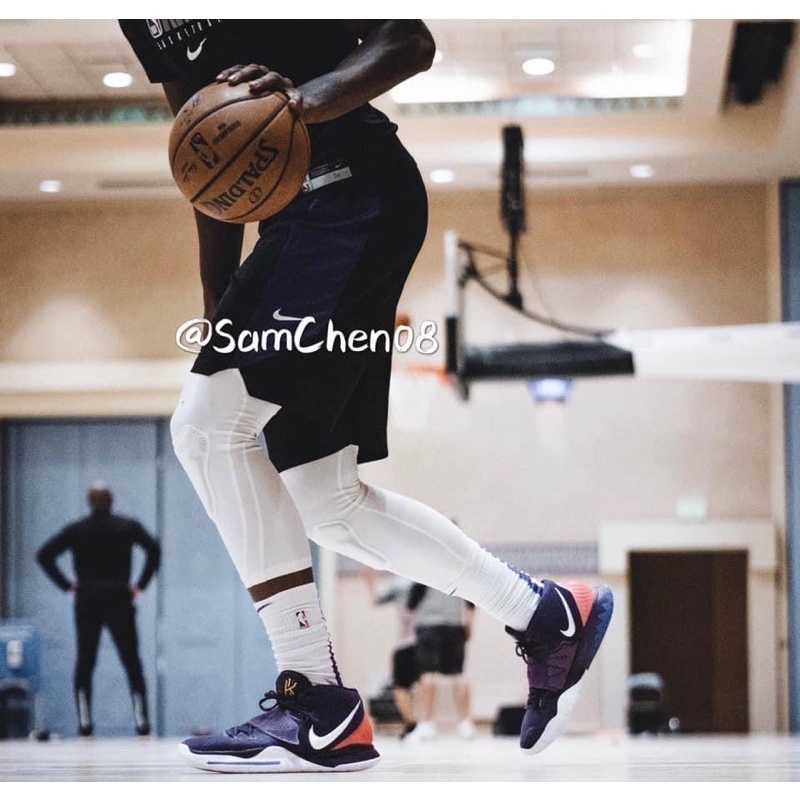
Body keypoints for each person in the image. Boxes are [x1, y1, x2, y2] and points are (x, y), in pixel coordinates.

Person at [118, 19, 614, 774]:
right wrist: (220, 298)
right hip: (297, 221)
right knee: (326, 499)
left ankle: (315, 696)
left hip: (355, 195)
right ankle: (544, 613)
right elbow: (204, 156)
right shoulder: (140, 15)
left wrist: (301, 102)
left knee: (207, 428)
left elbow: (409, 41)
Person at [36, 483, 161, 738]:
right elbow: (154, 549)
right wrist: (140, 585)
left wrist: (67, 585)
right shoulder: (127, 526)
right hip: (119, 598)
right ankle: (142, 722)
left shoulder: (77, 530)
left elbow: (44, 555)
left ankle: (85, 723)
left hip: (87, 600)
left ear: (89, 503)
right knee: (131, 661)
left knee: (85, 660)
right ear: (111, 502)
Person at [404, 582, 475, 742]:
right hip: (454, 626)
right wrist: (469, 624)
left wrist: (409, 630)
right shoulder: (457, 574)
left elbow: (411, 605)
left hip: (428, 626)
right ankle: (465, 723)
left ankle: (426, 723)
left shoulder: (424, 574)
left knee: (428, 675)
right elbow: (471, 602)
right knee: (458, 674)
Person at [364, 569, 420, 738]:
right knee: (422, 683)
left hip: (408, 641)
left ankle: (413, 725)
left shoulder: (400, 583)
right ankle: (421, 724)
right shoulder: (428, 579)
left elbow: (376, 598)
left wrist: (369, 576)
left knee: (401, 686)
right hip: (431, 639)